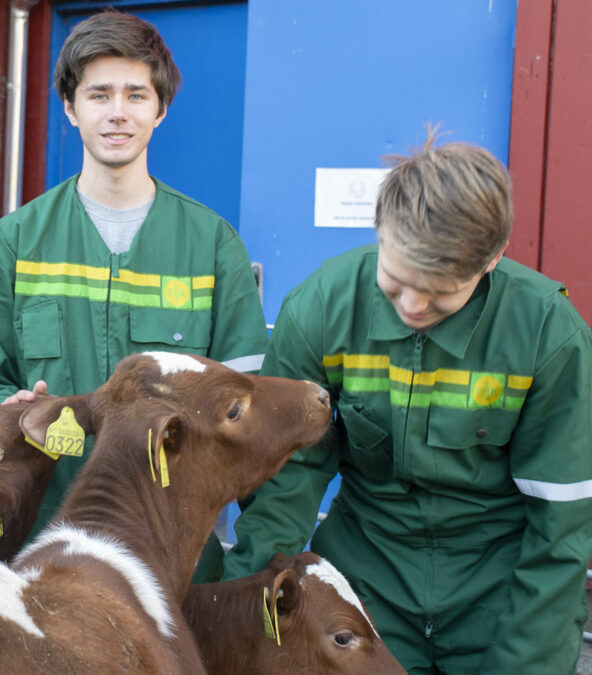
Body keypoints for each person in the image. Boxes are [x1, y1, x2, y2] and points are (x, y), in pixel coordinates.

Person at [223, 128, 592, 673]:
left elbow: (560, 526)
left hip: (498, 592)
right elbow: (285, 480)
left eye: (441, 292)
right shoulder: (323, 308)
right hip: (365, 581)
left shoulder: (546, 333)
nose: (413, 306)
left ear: (492, 260)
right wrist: (239, 616)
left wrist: (525, 660)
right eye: (395, 283)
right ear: (379, 233)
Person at [0, 10, 268, 581]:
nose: (118, 113)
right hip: (45, 538)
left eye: (136, 94)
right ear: (70, 106)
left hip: (175, 543)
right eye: (99, 94)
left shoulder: (212, 247)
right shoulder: (15, 242)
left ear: (161, 108)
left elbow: (246, 420)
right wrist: (11, 411)